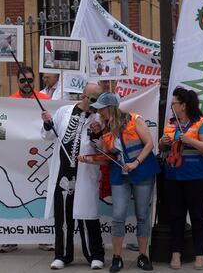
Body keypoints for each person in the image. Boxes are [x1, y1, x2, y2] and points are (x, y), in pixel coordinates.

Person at [80, 92, 160, 272]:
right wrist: (89, 159)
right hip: (119, 174)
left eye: (101, 109)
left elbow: (149, 144)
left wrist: (136, 162)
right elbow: (108, 158)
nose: (99, 113)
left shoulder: (134, 119)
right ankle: (117, 257)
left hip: (142, 172)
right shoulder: (104, 127)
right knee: (118, 216)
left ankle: (142, 255)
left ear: (110, 108)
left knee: (142, 215)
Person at [41, 83, 105, 270]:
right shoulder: (64, 111)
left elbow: (103, 147)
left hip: (85, 174)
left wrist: (97, 134)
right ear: (84, 96)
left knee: (89, 216)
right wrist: (47, 123)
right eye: (93, 99)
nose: (95, 104)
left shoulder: (99, 117)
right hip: (63, 173)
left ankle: (95, 255)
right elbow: (48, 136)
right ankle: (62, 255)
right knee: (62, 216)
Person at [158, 87, 203, 270]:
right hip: (173, 175)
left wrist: (190, 141)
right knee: (176, 216)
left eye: (174, 103)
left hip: (197, 176)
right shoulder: (171, 123)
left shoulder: (201, 123)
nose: (171, 106)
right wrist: (162, 143)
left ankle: (199, 255)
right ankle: (176, 253)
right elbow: (163, 147)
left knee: (197, 216)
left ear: (183, 105)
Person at [0, 66, 50, 254]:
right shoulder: (10, 101)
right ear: (17, 81)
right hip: (15, 158)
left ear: (34, 81)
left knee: (41, 198)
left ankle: (44, 237)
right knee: (12, 196)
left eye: (30, 80)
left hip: (39, 157)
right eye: (23, 81)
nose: (26, 84)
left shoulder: (45, 100)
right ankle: (11, 238)